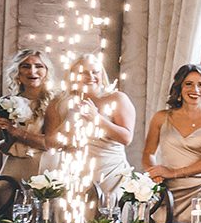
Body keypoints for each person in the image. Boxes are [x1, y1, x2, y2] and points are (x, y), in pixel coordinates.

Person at [142, 63, 201, 220]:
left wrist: (173, 173)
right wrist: (155, 174)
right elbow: (148, 153)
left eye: (200, 85)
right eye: (188, 84)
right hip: (166, 193)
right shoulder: (161, 117)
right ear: (179, 87)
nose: (194, 90)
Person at [45, 54, 136, 198]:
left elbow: (126, 138)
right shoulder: (59, 102)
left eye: (95, 72)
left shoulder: (117, 98)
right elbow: (49, 143)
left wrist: (97, 118)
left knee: (107, 216)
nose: (91, 76)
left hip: (110, 173)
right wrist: (69, 128)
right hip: (73, 174)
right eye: (83, 72)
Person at [0, 47, 56, 179]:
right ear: (18, 72)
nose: (32, 71)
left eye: (38, 66)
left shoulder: (55, 101)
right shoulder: (6, 103)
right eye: (26, 66)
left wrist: (16, 132)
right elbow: (2, 146)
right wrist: (9, 135)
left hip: (46, 167)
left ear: (46, 71)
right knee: (0, 195)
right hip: (15, 166)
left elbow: (49, 144)